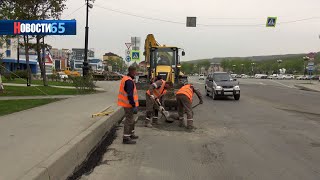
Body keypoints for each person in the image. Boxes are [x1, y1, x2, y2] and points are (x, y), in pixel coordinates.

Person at [117, 66, 139, 144]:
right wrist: (133, 105)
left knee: (131, 120)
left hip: (128, 104)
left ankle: (130, 134)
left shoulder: (127, 79)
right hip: (129, 105)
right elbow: (130, 95)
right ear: (132, 72)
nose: (136, 73)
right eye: (136, 71)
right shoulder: (129, 81)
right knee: (129, 120)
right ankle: (126, 138)